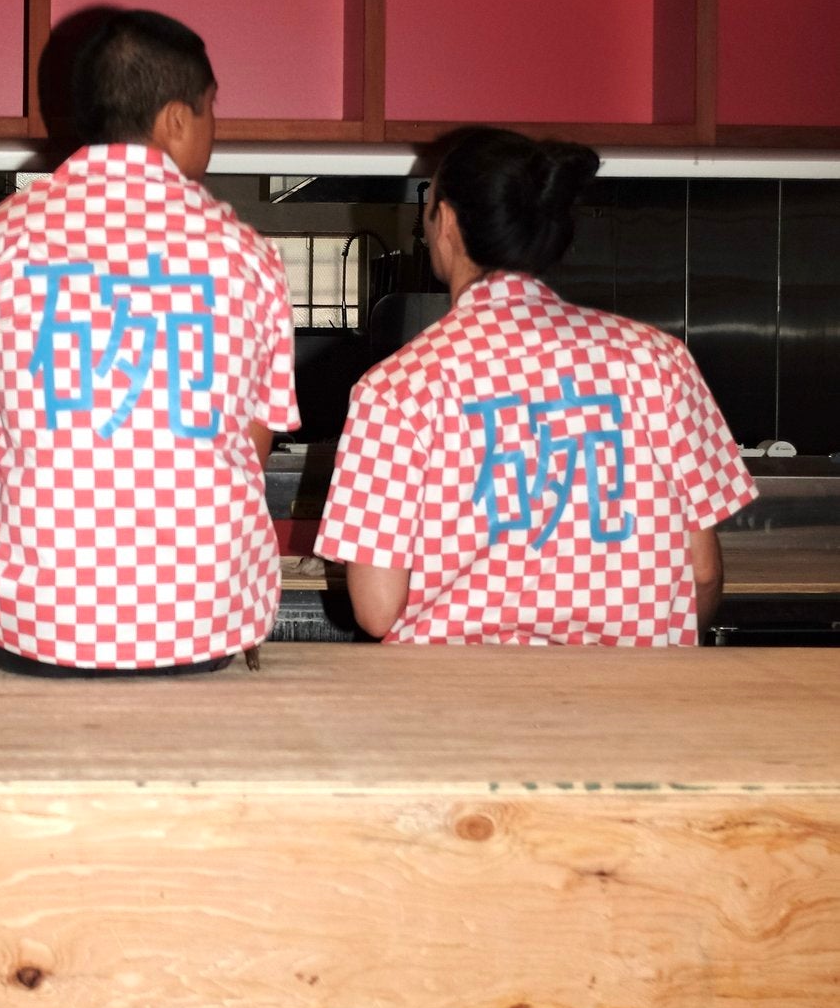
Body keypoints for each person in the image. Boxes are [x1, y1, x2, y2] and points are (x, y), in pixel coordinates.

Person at [0, 8, 299, 675]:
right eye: (212, 109)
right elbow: (253, 447)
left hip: (30, 638)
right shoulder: (250, 256)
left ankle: (27, 607)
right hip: (201, 635)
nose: (214, 127)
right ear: (177, 119)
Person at [315, 127, 754, 646]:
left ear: (447, 221)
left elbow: (377, 610)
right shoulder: (658, 362)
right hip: (633, 690)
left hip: (452, 691)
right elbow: (702, 572)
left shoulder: (396, 388)